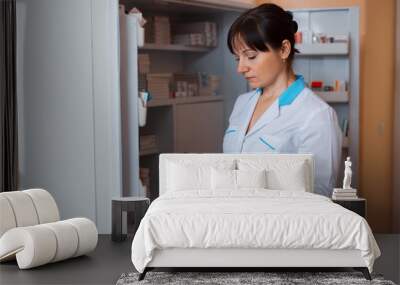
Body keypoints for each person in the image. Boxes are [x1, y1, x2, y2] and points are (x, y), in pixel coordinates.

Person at [223, 3, 342, 197]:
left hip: (281, 223)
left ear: (284, 50)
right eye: (238, 59)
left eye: (251, 56)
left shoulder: (316, 116)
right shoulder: (242, 103)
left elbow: (318, 196)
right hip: (235, 218)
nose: (241, 68)